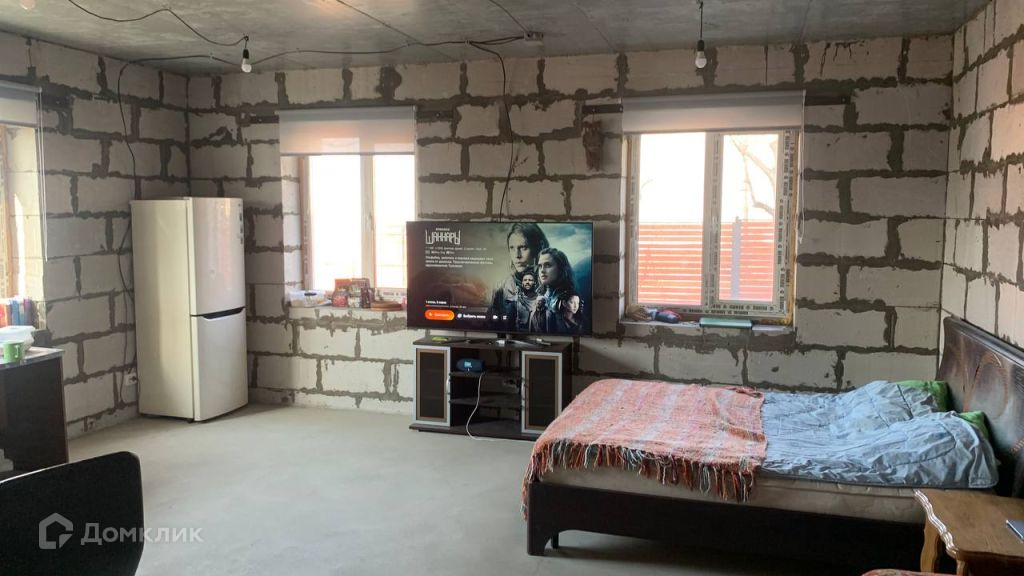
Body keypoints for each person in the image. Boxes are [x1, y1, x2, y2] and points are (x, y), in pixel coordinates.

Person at [489, 223, 549, 331]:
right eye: (512, 248)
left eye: (523, 247)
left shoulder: (552, 286)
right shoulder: (501, 288)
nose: (517, 255)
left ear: (538, 247)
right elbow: (493, 327)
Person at [529, 248, 582, 334]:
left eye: (548, 265)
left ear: (560, 269)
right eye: (540, 266)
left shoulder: (570, 299)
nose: (542, 270)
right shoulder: (538, 298)